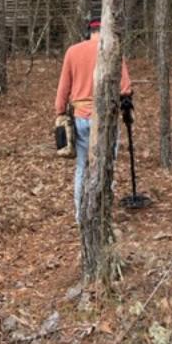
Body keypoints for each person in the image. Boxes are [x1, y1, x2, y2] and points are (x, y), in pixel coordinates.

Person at [54, 18, 132, 223]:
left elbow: (63, 87)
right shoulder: (113, 50)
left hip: (80, 117)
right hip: (106, 117)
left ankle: (81, 216)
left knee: (83, 166)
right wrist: (126, 107)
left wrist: (60, 111)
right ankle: (103, 215)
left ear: (88, 32)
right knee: (106, 165)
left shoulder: (73, 52)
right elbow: (125, 87)